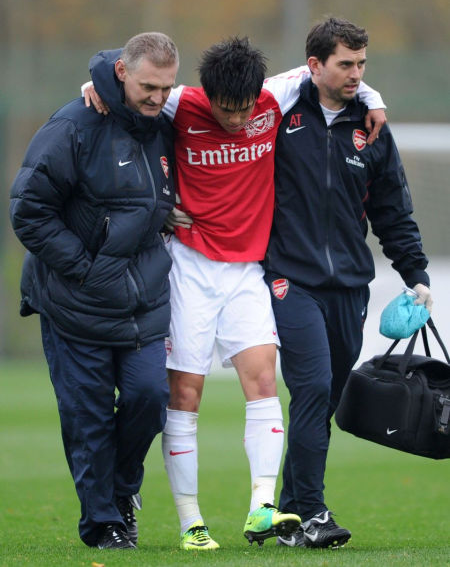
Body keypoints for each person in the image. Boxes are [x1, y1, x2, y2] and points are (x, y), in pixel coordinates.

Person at [83, 36, 387, 550]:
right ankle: (190, 522)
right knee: (185, 394)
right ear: (207, 95)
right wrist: (93, 85)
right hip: (190, 267)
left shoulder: (274, 95)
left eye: (245, 109)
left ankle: (262, 508)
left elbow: (332, 73)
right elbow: (128, 89)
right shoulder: (181, 103)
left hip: (247, 271)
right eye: (226, 110)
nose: (238, 119)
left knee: (264, 381)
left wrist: (374, 99)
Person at [263, 17, 433, 549]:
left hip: (350, 287)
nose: (356, 74)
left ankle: (290, 515)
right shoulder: (277, 115)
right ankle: (313, 513)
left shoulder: (373, 128)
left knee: (326, 398)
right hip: (289, 279)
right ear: (314, 66)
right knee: (312, 387)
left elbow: (392, 210)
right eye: (345, 64)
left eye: (362, 64)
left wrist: (416, 273)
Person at [9, 32, 179, 550]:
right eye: (148, 87)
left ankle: (122, 493)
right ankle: (103, 522)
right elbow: (27, 211)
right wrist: (85, 269)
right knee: (88, 418)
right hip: (73, 301)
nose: (158, 98)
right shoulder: (72, 126)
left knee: (150, 397)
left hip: (142, 300)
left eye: (166, 88)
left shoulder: (165, 124)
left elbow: (250, 96)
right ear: (121, 74)